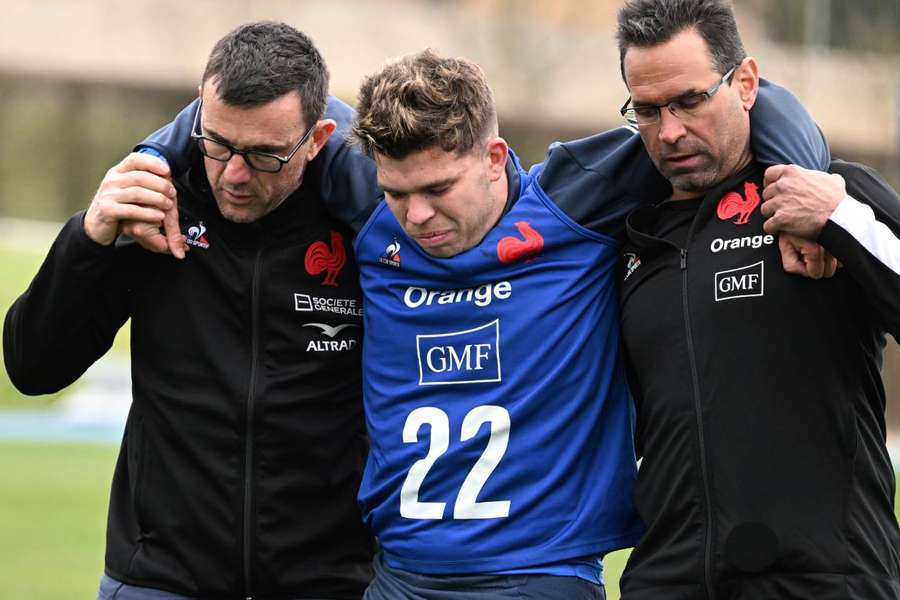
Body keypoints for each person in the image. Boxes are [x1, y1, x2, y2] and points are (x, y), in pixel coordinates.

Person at [135, 49, 829, 600]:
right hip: (398, 577)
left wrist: (799, 174)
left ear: (495, 159)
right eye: (398, 194)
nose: (419, 216)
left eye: (439, 191)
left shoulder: (575, 205)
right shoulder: (371, 205)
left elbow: (754, 101)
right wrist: (149, 158)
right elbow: (243, 115)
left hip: (539, 576)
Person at [3, 22, 375, 599]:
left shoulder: (366, 226)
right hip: (160, 577)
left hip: (328, 581)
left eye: (264, 156)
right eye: (219, 144)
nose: (233, 174)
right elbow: (33, 367)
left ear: (318, 137)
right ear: (199, 115)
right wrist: (89, 239)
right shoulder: (155, 202)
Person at [613, 1, 900, 598]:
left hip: (827, 579)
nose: (669, 132)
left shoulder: (828, 195)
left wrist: (838, 220)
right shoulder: (626, 239)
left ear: (745, 83)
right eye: (647, 110)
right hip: (668, 579)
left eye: (690, 101)